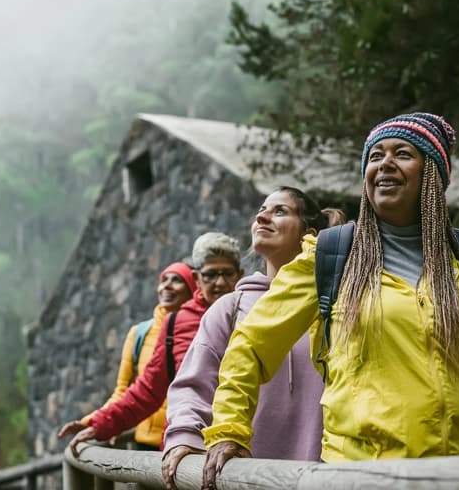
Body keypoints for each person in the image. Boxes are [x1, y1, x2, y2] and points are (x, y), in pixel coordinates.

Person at [202, 113, 459, 488]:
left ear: (433, 173)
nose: (385, 163)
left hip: (458, 477)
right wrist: (229, 428)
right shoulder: (331, 256)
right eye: (374, 156)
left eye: (402, 153)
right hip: (359, 478)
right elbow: (251, 345)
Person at [161, 188, 345, 489]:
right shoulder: (231, 308)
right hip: (242, 477)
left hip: (324, 477)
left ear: (309, 234)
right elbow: (193, 385)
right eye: (262, 209)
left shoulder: (335, 304)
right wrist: (185, 437)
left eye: (280, 211)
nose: (261, 216)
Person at [61, 232, 244, 455]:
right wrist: (99, 425)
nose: (220, 283)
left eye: (228, 273)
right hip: (188, 447)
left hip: (242, 442)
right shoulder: (177, 323)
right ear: (196, 279)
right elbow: (147, 390)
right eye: (210, 275)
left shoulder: (253, 313)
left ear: (240, 274)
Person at [57, 262, 196, 449]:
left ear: (192, 287)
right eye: (164, 280)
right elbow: (124, 390)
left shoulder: (202, 329)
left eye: (177, 280)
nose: (167, 286)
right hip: (145, 444)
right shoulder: (139, 333)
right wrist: (92, 422)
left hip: (182, 443)